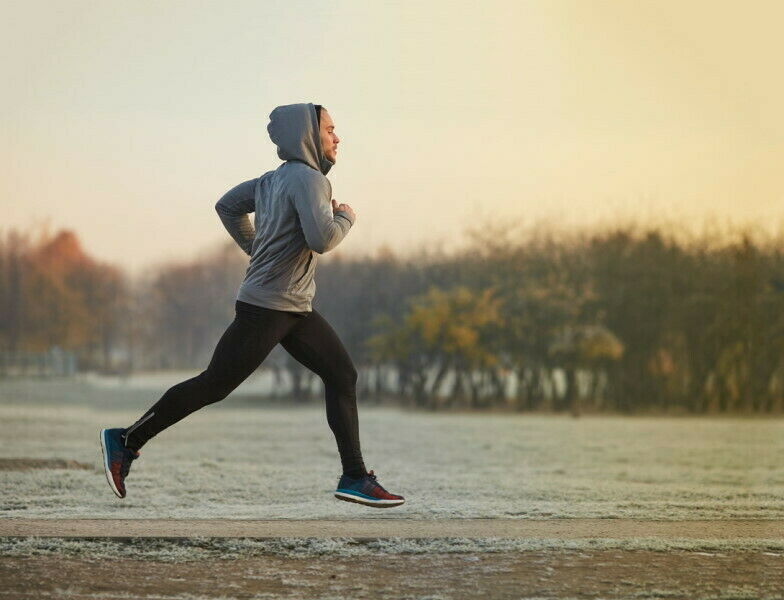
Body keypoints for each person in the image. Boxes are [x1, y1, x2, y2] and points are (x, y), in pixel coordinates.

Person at [100, 103, 404, 508]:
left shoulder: (272, 180)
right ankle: (125, 440)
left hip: (294, 307)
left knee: (342, 375)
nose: (337, 137)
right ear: (309, 135)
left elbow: (226, 205)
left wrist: (255, 247)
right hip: (268, 307)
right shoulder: (311, 181)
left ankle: (354, 476)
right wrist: (346, 217)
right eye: (330, 129)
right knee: (214, 384)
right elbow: (322, 239)